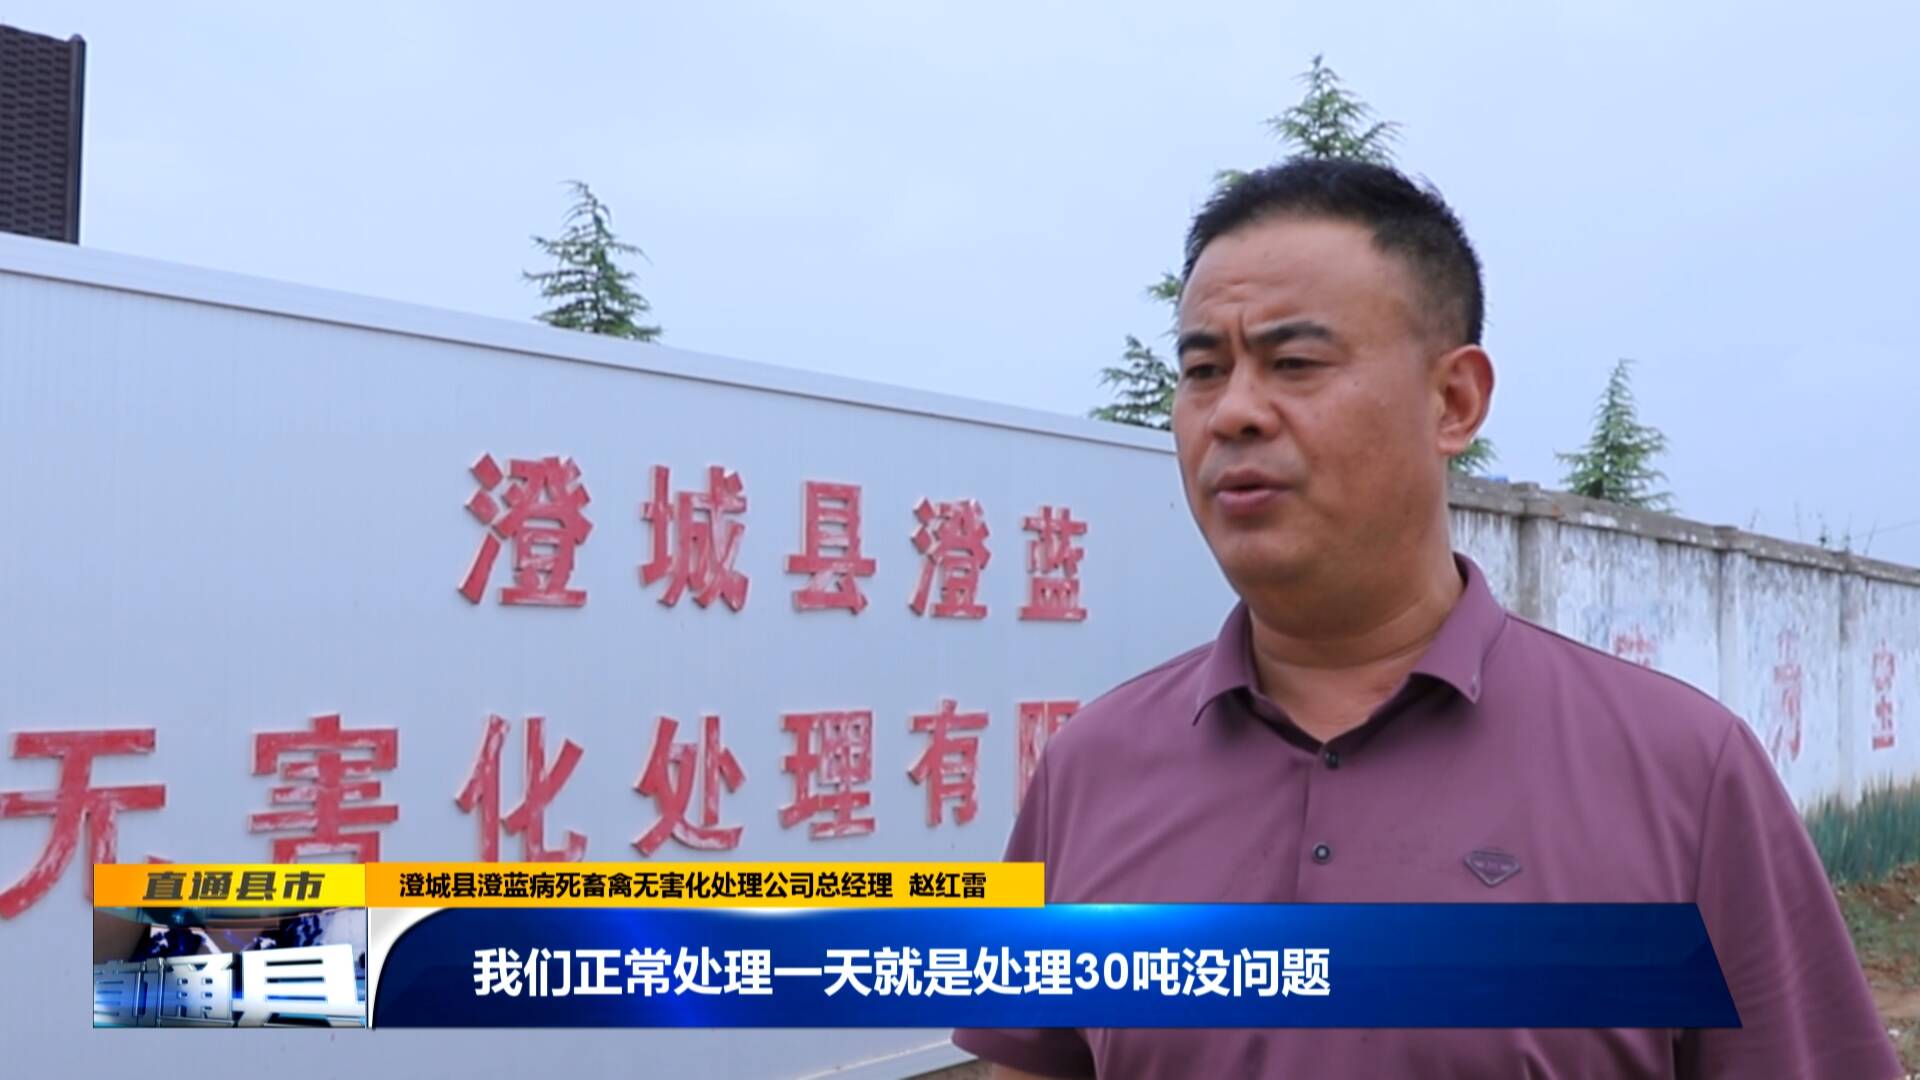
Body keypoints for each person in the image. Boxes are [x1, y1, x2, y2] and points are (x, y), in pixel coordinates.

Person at [952, 158, 1900, 1079]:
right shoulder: (1092, 770)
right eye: (1204, 369)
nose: (1233, 412)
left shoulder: (1683, 775)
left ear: (1454, 400)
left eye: (1294, 362)